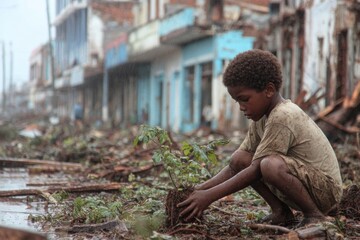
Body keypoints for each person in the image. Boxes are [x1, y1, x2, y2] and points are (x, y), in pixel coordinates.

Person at [178, 49, 343, 227]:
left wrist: (209, 197)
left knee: (269, 165)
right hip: (309, 188)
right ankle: (281, 212)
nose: (241, 107)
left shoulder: (283, 115)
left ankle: (315, 216)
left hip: (326, 192)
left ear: (269, 90)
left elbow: (258, 168)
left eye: (245, 99)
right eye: (237, 101)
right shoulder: (262, 117)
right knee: (240, 159)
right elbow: (237, 165)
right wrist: (199, 190)